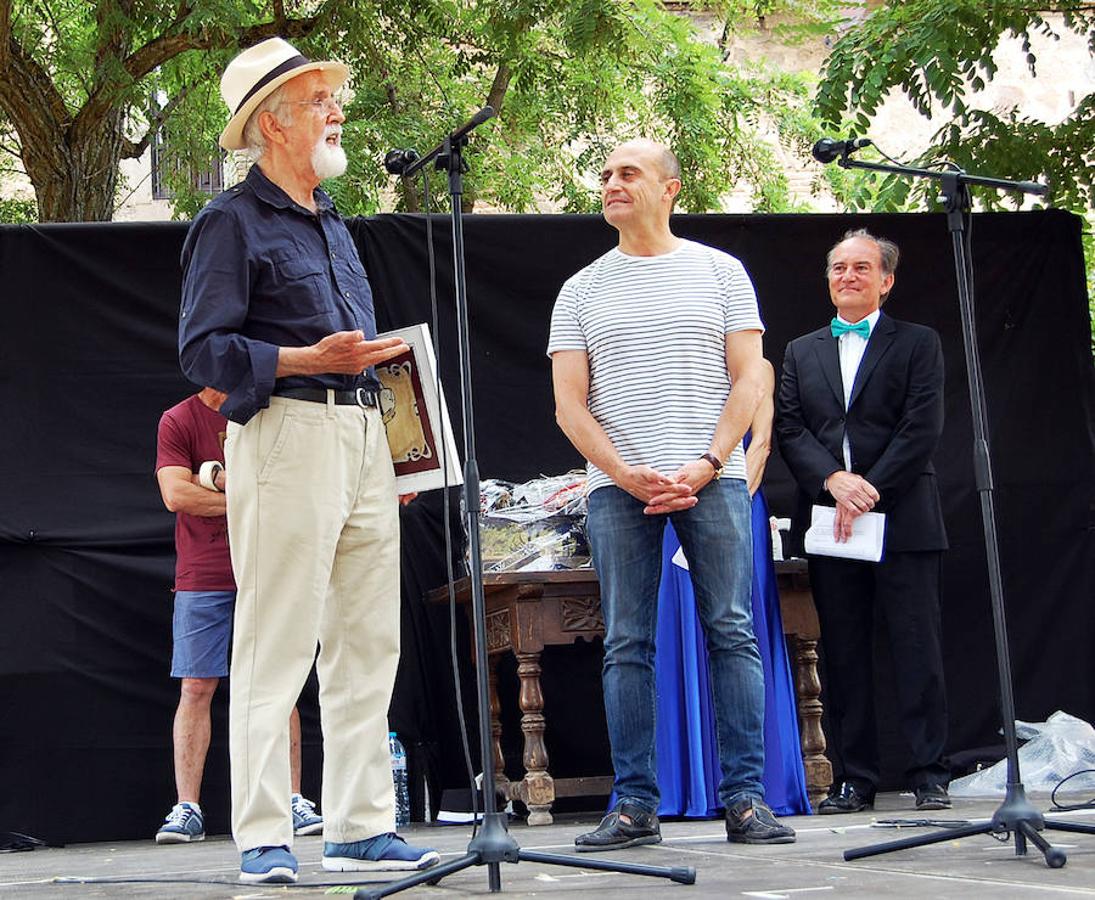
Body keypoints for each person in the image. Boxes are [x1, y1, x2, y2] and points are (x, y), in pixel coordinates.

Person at [177, 37, 438, 884]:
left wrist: (397, 454)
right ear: (272, 122)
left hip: (362, 438)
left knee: (368, 642)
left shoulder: (332, 221)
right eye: (320, 99)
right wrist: (300, 362)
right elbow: (203, 353)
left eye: (332, 96)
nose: (336, 111)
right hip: (287, 433)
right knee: (274, 640)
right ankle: (261, 833)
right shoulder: (229, 221)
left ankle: (361, 824)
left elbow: (358, 353)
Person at [549, 138, 796, 850]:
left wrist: (708, 459)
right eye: (604, 175)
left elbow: (750, 379)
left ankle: (745, 800)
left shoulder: (721, 273)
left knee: (731, 631)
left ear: (669, 189)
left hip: (709, 477)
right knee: (627, 642)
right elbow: (569, 404)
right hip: (616, 488)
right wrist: (624, 473)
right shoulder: (581, 289)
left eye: (628, 173)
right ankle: (633, 806)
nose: (611, 184)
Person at [775, 229, 951, 814]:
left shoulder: (918, 342)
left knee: (915, 646)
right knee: (844, 652)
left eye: (860, 268)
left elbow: (921, 426)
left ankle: (930, 773)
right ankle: (857, 778)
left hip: (902, 516)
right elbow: (791, 428)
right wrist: (834, 482)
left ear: (886, 280)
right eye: (838, 268)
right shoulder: (801, 351)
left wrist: (868, 488)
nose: (847, 276)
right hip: (831, 522)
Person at [154, 387, 324, 843]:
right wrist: (250, 498)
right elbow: (175, 494)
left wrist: (210, 480)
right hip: (204, 571)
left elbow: (294, 484)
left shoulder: (267, 413)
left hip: (266, 564)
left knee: (278, 682)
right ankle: (186, 807)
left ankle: (291, 798)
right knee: (196, 685)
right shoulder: (179, 418)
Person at [649, 361, 811, 818]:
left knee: (738, 630)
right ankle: (680, 784)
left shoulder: (755, 365)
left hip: (730, 497)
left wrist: (722, 509)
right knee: (674, 633)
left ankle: (752, 784)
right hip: (668, 497)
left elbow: (759, 448)